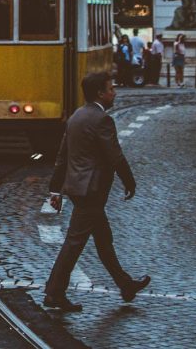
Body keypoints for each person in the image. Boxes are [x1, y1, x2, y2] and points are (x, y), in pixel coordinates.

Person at [44, 72, 150, 311]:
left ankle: (125, 285)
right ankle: (54, 293)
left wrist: (55, 189)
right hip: (92, 190)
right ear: (100, 93)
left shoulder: (76, 117)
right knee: (74, 243)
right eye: (111, 89)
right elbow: (115, 156)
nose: (114, 92)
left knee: (104, 240)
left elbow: (63, 155)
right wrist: (129, 181)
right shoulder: (102, 120)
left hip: (79, 189)